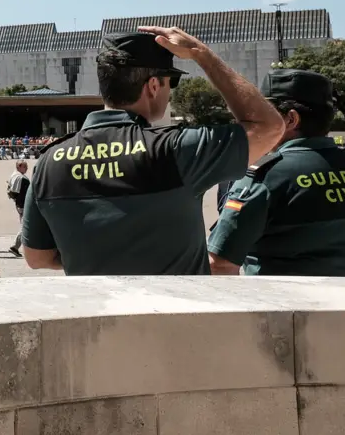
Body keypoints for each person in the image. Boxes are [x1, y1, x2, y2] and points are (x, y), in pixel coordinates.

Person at [20, 28, 283, 275]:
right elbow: (269, 127)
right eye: (172, 83)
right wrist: (203, 55)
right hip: (176, 319)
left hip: (98, 318)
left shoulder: (49, 161)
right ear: (153, 86)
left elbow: (36, 257)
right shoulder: (177, 149)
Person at [208, 69, 345, 278]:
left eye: (262, 115)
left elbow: (220, 266)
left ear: (291, 120)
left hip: (290, 309)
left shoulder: (264, 177)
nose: (253, 124)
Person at [6, 160, 30, 256]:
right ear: (20, 166)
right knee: (25, 226)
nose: (27, 168)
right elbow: (21, 193)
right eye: (25, 166)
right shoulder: (20, 178)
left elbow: (11, 192)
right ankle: (15, 246)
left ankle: (16, 247)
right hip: (24, 205)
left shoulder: (14, 176)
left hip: (20, 205)